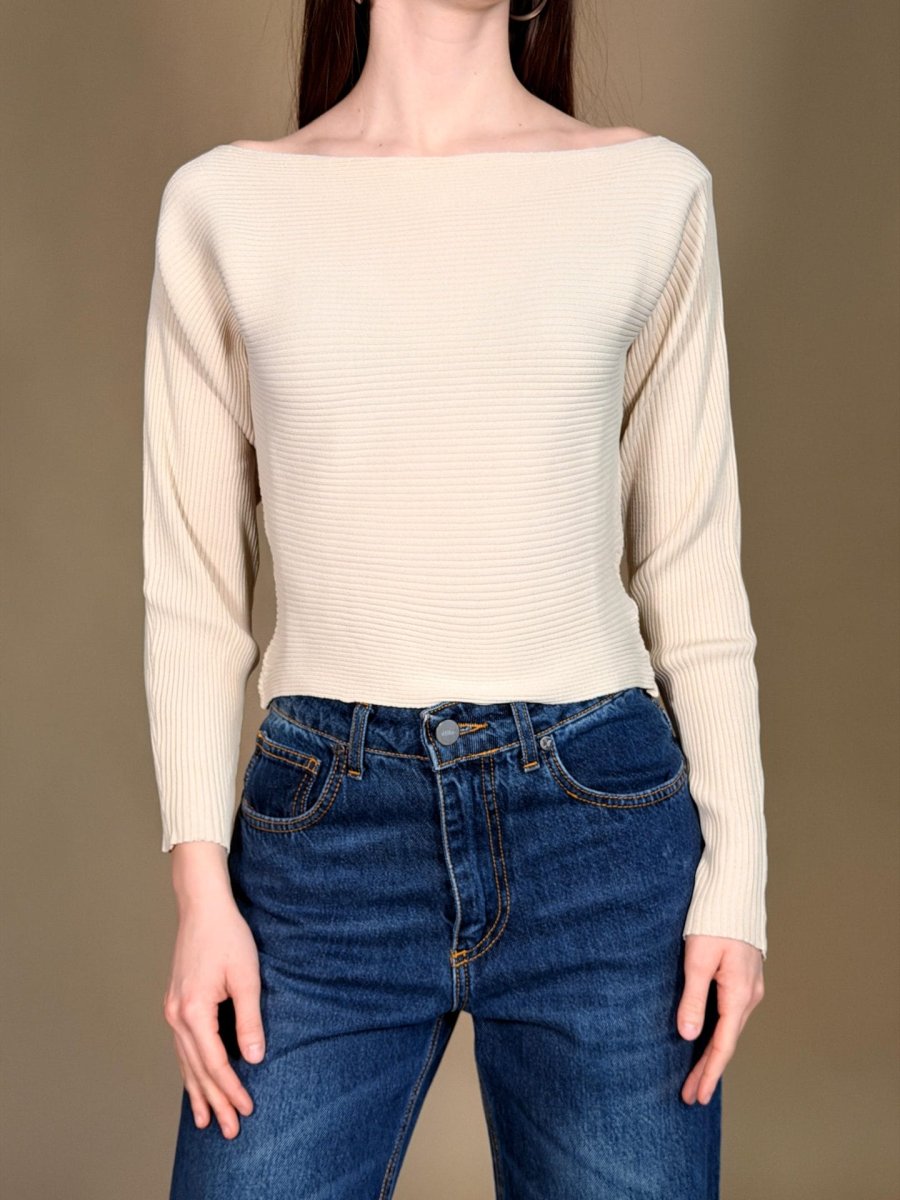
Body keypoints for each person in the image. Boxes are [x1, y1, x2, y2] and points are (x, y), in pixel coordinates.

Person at [141, 1, 767, 1195]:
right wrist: (200, 887)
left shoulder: (650, 194)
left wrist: (737, 884)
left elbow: (691, 565)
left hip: (601, 830)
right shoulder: (225, 205)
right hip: (322, 844)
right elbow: (195, 586)